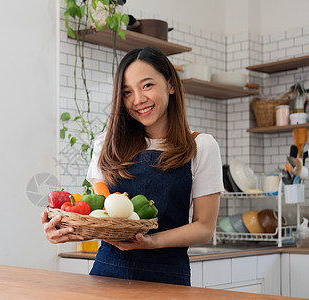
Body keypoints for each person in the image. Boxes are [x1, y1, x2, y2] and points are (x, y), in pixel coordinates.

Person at [41, 46, 223, 286]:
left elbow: (204, 228)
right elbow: (101, 215)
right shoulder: (106, 144)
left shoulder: (201, 145)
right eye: (127, 92)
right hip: (107, 273)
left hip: (167, 279)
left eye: (147, 85)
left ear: (170, 85)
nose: (138, 100)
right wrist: (64, 230)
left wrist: (151, 241)